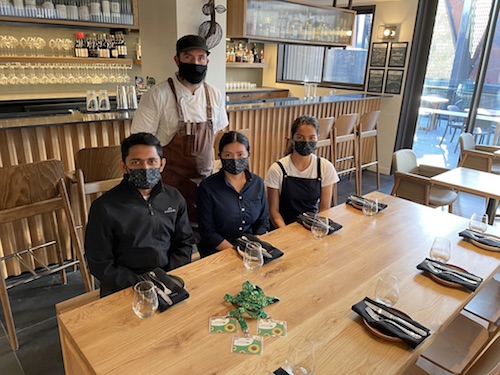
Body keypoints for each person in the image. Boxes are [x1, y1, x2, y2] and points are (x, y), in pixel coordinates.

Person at [131, 35, 229, 221]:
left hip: (206, 184)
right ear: (177, 60)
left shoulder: (214, 94)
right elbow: (139, 142)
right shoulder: (157, 95)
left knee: (206, 233)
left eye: (200, 58)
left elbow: (217, 134)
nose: (195, 63)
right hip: (169, 186)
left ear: (207, 60)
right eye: (188, 57)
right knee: (173, 236)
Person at [85, 133, 193, 297]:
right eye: (136, 162)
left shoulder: (174, 197)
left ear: (162, 164)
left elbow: (184, 242)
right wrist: (142, 284)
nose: (145, 168)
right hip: (124, 287)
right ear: (124, 166)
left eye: (151, 161)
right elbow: (100, 263)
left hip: (169, 281)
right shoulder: (104, 207)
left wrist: (167, 277)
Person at [197, 131, 269, 257]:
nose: (235, 159)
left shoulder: (257, 183)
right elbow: (208, 232)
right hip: (218, 252)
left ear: (248, 154)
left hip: (252, 248)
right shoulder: (207, 187)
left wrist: (254, 246)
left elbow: (263, 221)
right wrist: (237, 252)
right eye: (228, 155)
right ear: (221, 156)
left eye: (240, 154)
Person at [265, 115, 339, 228]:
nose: (306, 142)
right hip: (282, 227)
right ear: (292, 138)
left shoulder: (325, 167)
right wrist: (286, 233)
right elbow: (274, 213)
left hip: (312, 225)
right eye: (300, 137)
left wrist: (317, 228)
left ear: (317, 138)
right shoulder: (278, 169)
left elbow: (324, 209)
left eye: (311, 138)